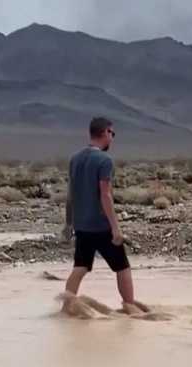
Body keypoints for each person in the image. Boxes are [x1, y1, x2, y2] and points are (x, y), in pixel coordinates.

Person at [62, 117, 140, 309]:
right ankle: (130, 309)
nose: (112, 138)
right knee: (122, 266)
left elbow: (70, 193)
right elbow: (105, 194)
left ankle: (66, 307)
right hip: (101, 224)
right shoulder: (104, 160)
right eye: (112, 134)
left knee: (80, 267)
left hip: (81, 224)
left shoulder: (76, 159)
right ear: (105, 132)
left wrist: (69, 222)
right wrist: (116, 228)